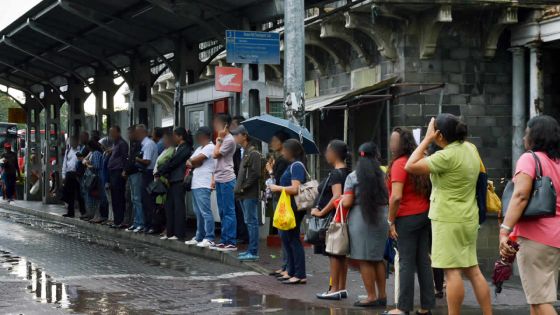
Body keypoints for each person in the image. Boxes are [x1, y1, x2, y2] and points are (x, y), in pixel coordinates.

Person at [405, 114, 492, 315]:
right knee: (473, 270)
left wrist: (426, 139)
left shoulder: (446, 156)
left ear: (439, 135)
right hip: (469, 217)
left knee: (452, 273)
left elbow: (410, 166)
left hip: (447, 220)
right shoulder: (471, 149)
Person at [500, 115, 560, 315]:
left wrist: (504, 230)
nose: (524, 136)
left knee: (541, 301)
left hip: (536, 237)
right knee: (537, 299)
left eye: (527, 132)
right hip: (555, 237)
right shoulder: (557, 162)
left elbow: (520, 196)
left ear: (535, 136)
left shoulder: (529, 158)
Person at [384, 128, 434, 315]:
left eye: (394, 141)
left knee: (405, 262)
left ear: (401, 144)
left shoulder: (399, 164)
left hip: (406, 217)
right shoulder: (417, 160)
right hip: (423, 215)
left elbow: (396, 197)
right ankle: (426, 306)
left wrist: (390, 221)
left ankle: (403, 308)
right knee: (423, 261)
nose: (390, 144)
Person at [342, 142, 389, 307]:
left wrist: (340, 199)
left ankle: (371, 296)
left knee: (364, 259)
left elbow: (347, 202)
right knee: (377, 258)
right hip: (382, 218)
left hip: (361, 219)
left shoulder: (353, 177)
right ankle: (382, 295)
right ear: (376, 156)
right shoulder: (384, 175)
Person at [310, 140, 351, 300]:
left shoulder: (335, 174)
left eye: (328, 151)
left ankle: (333, 288)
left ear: (334, 153)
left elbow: (337, 196)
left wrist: (321, 213)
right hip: (343, 218)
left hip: (333, 219)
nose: (326, 154)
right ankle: (341, 288)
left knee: (334, 253)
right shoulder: (347, 172)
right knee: (342, 253)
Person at [269, 139, 307, 285]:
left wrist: (277, 188)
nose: (282, 152)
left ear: (291, 151)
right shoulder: (291, 165)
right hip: (288, 206)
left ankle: (300, 273)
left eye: (285, 149)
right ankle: (291, 270)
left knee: (293, 239)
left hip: (294, 207)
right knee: (287, 238)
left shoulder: (297, 166)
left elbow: (295, 188)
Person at [156, 127, 193, 241]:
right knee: (170, 206)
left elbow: (174, 162)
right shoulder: (178, 148)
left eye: (174, 135)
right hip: (172, 179)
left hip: (179, 179)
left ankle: (179, 233)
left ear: (180, 136)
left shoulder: (185, 148)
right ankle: (171, 232)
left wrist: (162, 170)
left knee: (178, 207)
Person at [232, 125, 262, 261]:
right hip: (243, 194)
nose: (234, 137)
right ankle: (250, 250)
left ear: (244, 136)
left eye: (237, 135)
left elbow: (255, 173)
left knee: (251, 222)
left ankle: (253, 251)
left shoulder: (253, 153)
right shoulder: (245, 152)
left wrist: (244, 187)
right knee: (248, 221)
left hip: (249, 194)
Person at [266, 131, 291, 279]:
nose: (272, 143)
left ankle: (287, 267)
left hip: (281, 199)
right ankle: (285, 266)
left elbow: (278, 180)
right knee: (284, 235)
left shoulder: (284, 161)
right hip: (280, 198)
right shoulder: (281, 160)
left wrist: (270, 171)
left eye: (274, 140)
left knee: (285, 234)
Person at [185, 126, 216, 247]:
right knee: (198, 212)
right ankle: (199, 236)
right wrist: (193, 162)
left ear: (204, 136)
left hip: (204, 183)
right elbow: (189, 162)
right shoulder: (199, 148)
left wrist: (193, 162)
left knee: (205, 211)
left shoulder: (210, 147)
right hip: (196, 183)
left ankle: (209, 237)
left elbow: (197, 160)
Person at [212, 114, 238, 251]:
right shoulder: (222, 140)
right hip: (220, 178)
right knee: (222, 211)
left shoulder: (228, 140)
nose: (215, 126)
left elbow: (215, 154)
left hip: (228, 179)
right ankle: (224, 239)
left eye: (217, 124)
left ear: (225, 125)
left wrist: (219, 140)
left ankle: (231, 241)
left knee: (229, 211)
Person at [135, 124, 159, 234]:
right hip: (145, 173)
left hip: (148, 174)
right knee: (145, 201)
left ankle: (151, 225)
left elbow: (147, 161)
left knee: (148, 201)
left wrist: (136, 159)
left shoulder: (148, 144)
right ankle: (147, 224)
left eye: (137, 133)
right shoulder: (144, 144)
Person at [231, 115, 249, 244]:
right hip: (237, 185)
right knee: (238, 211)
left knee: (247, 214)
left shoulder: (252, 151)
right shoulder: (237, 151)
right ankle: (240, 234)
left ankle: (246, 238)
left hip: (247, 187)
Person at [153, 131, 175, 230]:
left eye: (165, 139)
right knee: (160, 204)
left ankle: (167, 227)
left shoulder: (172, 150)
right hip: (158, 180)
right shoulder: (164, 150)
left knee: (166, 205)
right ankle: (162, 226)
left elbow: (167, 164)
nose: (164, 141)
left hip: (164, 180)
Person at [107, 126, 129, 228]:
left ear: (118, 132)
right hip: (112, 173)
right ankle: (116, 220)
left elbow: (124, 158)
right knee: (114, 197)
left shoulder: (122, 144)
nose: (111, 135)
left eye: (113, 132)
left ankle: (120, 220)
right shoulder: (115, 144)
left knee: (119, 197)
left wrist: (124, 170)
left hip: (118, 172)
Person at [125, 126, 144, 232]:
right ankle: (136, 222)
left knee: (137, 199)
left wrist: (127, 169)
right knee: (133, 199)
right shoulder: (133, 145)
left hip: (136, 173)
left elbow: (135, 160)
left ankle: (140, 222)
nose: (128, 136)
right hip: (131, 174)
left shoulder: (139, 144)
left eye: (130, 133)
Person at [61, 136, 84, 217]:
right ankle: (70, 212)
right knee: (69, 194)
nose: (71, 143)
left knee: (80, 194)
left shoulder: (81, 150)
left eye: (73, 141)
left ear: (77, 141)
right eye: (70, 142)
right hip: (69, 173)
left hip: (77, 174)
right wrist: (63, 175)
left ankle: (83, 212)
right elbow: (65, 163)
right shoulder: (68, 151)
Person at [83, 140, 104, 222]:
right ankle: (95, 215)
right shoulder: (94, 153)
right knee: (95, 197)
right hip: (96, 178)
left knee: (96, 197)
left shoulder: (95, 153)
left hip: (96, 178)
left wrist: (87, 164)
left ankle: (97, 215)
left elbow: (95, 166)